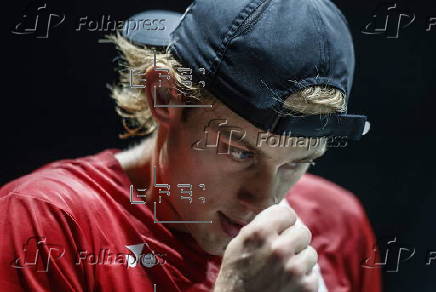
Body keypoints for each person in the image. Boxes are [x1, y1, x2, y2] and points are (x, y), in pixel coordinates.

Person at [0, 0, 382, 291]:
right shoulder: (47, 224)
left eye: (295, 163)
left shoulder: (336, 223)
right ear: (166, 97)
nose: (265, 199)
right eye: (240, 151)